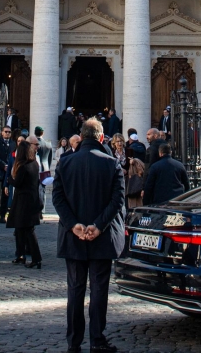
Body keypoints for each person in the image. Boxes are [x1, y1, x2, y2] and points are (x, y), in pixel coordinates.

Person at [53, 118, 124, 353]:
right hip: (101, 237)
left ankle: (73, 342)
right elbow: (117, 202)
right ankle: (97, 339)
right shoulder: (112, 164)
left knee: (74, 289)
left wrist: (73, 225)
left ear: (80, 137)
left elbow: (58, 199)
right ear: (102, 138)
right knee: (99, 288)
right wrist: (99, 225)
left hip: (73, 237)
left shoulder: (64, 163)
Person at [9, 138, 43, 268]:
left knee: (27, 230)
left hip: (23, 202)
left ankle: (36, 258)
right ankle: (20, 255)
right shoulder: (34, 164)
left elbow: (17, 183)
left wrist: (10, 180)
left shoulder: (23, 167)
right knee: (21, 229)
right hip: (31, 200)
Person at [0, 125, 15, 220]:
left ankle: (2, 215)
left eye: (9, 132)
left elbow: (13, 156)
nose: (7, 133)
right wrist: (3, 165)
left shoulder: (13, 144)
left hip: (8, 172)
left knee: (6, 193)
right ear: (2, 132)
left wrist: (9, 166)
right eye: (6, 131)